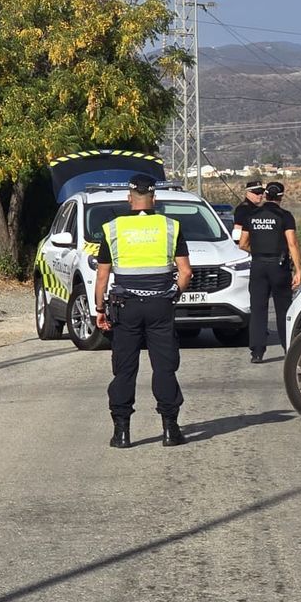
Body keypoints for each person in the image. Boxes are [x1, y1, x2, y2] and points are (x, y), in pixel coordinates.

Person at [94, 173, 193, 448]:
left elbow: (102, 277)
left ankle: (122, 433)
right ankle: (171, 430)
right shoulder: (170, 226)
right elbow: (186, 272)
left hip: (125, 307)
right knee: (164, 367)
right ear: (154, 198)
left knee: (124, 370)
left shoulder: (112, 228)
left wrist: (99, 308)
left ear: (129, 198)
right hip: (161, 305)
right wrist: (173, 295)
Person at [236, 180, 301, 363]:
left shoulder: (252, 214)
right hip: (278, 266)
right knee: (283, 309)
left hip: (257, 265)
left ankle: (257, 352)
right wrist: (298, 269)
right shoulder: (285, 216)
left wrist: (257, 251)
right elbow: (292, 243)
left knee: (258, 309)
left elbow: (242, 244)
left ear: (265, 195)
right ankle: (288, 347)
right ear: (281, 196)